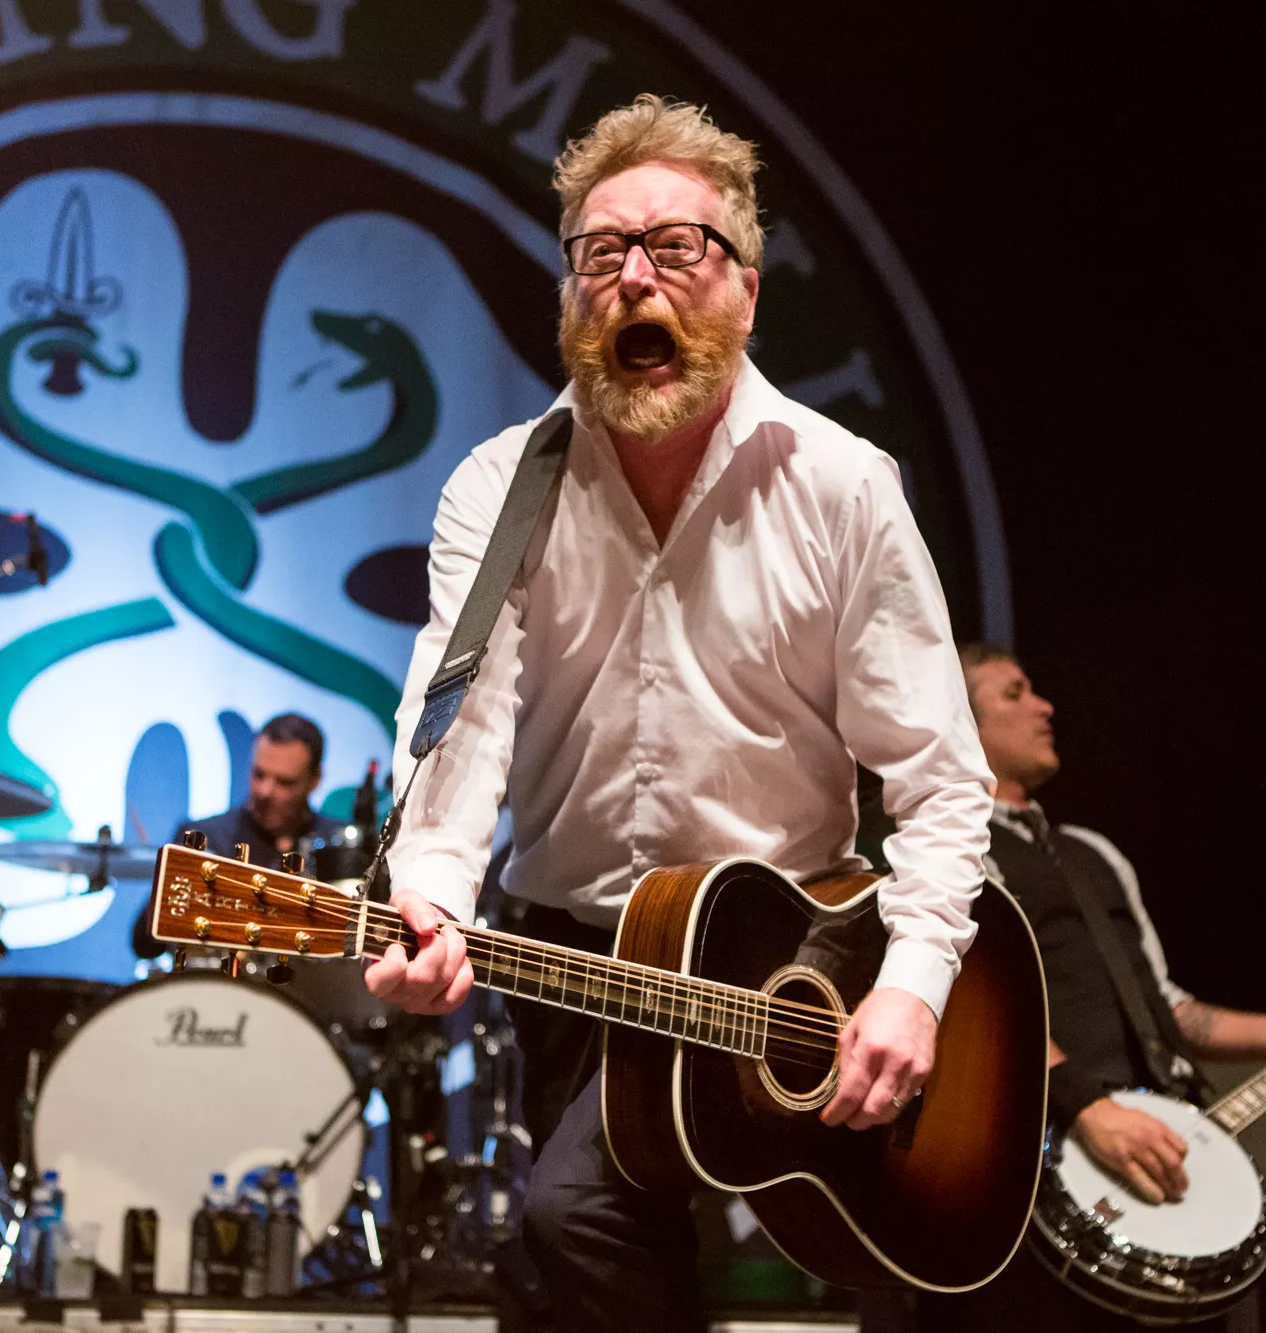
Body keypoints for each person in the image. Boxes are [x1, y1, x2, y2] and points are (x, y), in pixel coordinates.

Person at [362, 97, 996, 1330]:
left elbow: (934, 775)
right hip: (581, 961)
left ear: (745, 293)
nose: (635, 278)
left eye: (676, 247)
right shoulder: (500, 487)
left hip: (799, 957)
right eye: (602, 253)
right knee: (566, 1248)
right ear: (570, 297)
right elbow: (462, 724)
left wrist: (913, 984)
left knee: (869, 1243)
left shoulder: (843, 487)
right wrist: (428, 897)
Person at [916, 645, 1266, 1332]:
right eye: (1015, 693)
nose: (1045, 706)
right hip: (1037, 1179)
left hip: (1159, 1169)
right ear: (961, 719)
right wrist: (1088, 1109)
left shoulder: (1094, 852)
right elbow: (971, 1008)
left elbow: (1173, 1010)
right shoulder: (943, 853)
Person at [130, 712, 345, 958]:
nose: (265, 791)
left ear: (315, 780)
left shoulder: (338, 846)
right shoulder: (204, 836)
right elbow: (144, 944)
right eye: (259, 774)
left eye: (285, 782)